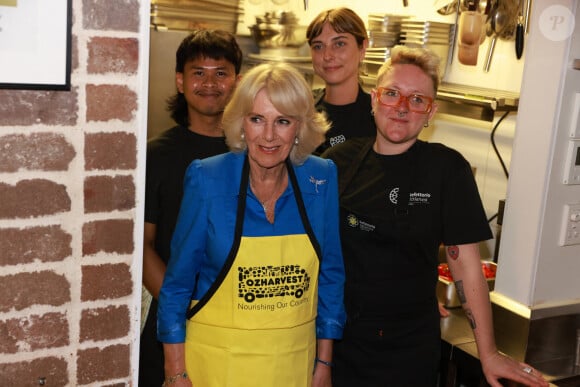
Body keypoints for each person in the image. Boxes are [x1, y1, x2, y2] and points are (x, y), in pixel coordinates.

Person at [322, 45, 549, 387]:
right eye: (392, 94)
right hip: (341, 342)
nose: (401, 107)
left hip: (408, 349)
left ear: (431, 112)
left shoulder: (447, 170)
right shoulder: (337, 162)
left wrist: (488, 353)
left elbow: (464, 262)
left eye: (417, 100)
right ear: (374, 100)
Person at [157, 62, 346, 387]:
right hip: (215, 367)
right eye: (257, 119)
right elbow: (176, 286)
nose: (269, 135)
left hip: (293, 367)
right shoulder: (207, 178)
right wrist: (175, 372)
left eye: (283, 121)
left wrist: (324, 362)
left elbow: (330, 276)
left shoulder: (321, 178)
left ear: (300, 127)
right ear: (241, 123)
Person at [140, 29, 243, 386]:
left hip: (240, 323)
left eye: (221, 73)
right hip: (174, 324)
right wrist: (182, 307)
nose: (210, 83)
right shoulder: (156, 154)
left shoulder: (256, 153)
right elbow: (143, 246)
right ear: (180, 82)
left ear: (238, 81)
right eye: (199, 72)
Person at [306, 7, 376, 155]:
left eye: (339, 44)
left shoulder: (379, 116)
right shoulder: (300, 107)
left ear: (362, 48)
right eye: (318, 46)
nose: (327, 55)